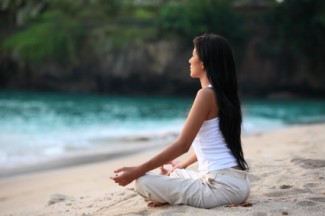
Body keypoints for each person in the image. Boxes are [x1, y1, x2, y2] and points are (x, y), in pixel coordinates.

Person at [110, 33, 250, 209]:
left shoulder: (205, 95)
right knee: (174, 173)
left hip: (221, 188)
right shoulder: (225, 94)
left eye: (193, 55)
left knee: (142, 182)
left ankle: (163, 191)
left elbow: (182, 144)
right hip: (238, 183)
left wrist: (137, 171)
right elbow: (214, 143)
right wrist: (182, 164)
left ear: (204, 62)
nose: (189, 60)